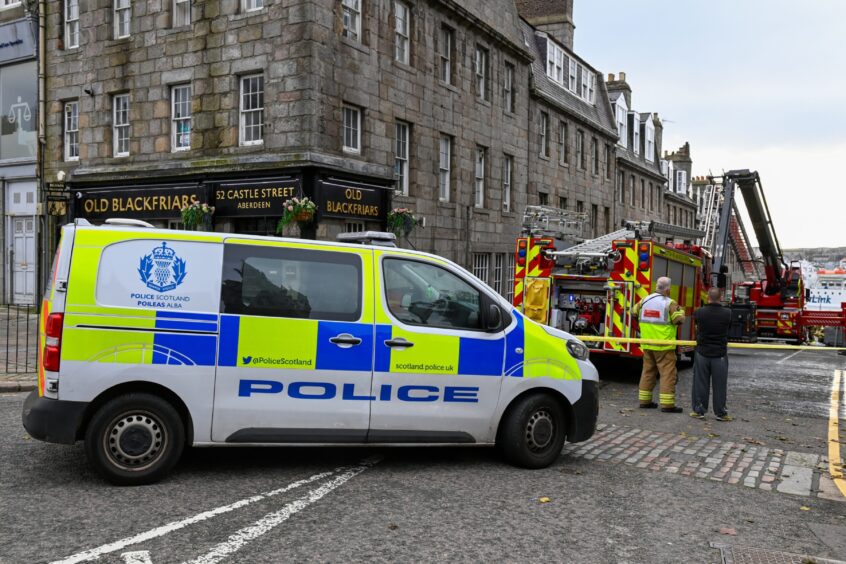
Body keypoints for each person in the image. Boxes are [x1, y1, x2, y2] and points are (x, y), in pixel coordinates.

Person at [634, 276, 685, 413]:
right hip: (664, 345)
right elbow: (679, 320)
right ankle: (667, 405)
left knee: (648, 372)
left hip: (647, 344)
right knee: (667, 374)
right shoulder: (670, 303)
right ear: (668, 289)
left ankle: (645, 401)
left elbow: (633, 312)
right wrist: (681, 311)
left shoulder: (645, 300)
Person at [691, 287, 733, 421]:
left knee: (700, 383)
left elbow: (697, 326)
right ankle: (721, 413)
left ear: (707, 297)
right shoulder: (728, 313)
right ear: (720, 298)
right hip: (720, 354)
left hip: (702, 352)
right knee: (720, 385)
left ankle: (699, 410)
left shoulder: (699, 312)